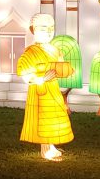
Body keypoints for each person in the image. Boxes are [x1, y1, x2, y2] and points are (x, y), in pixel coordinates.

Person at [16, 13, 74, 160]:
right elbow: (25, 75)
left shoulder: (55, 50)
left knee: (55, 118)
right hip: (40, 91)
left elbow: (61, 68)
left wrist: (66, 71)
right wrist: (41, 79)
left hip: (53, 89)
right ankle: (45, 149)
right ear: (33, 30)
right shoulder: (30, 52)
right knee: (44, 119)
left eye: (51, 28)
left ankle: (52, 145)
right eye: (43, 28)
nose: (48, 32)